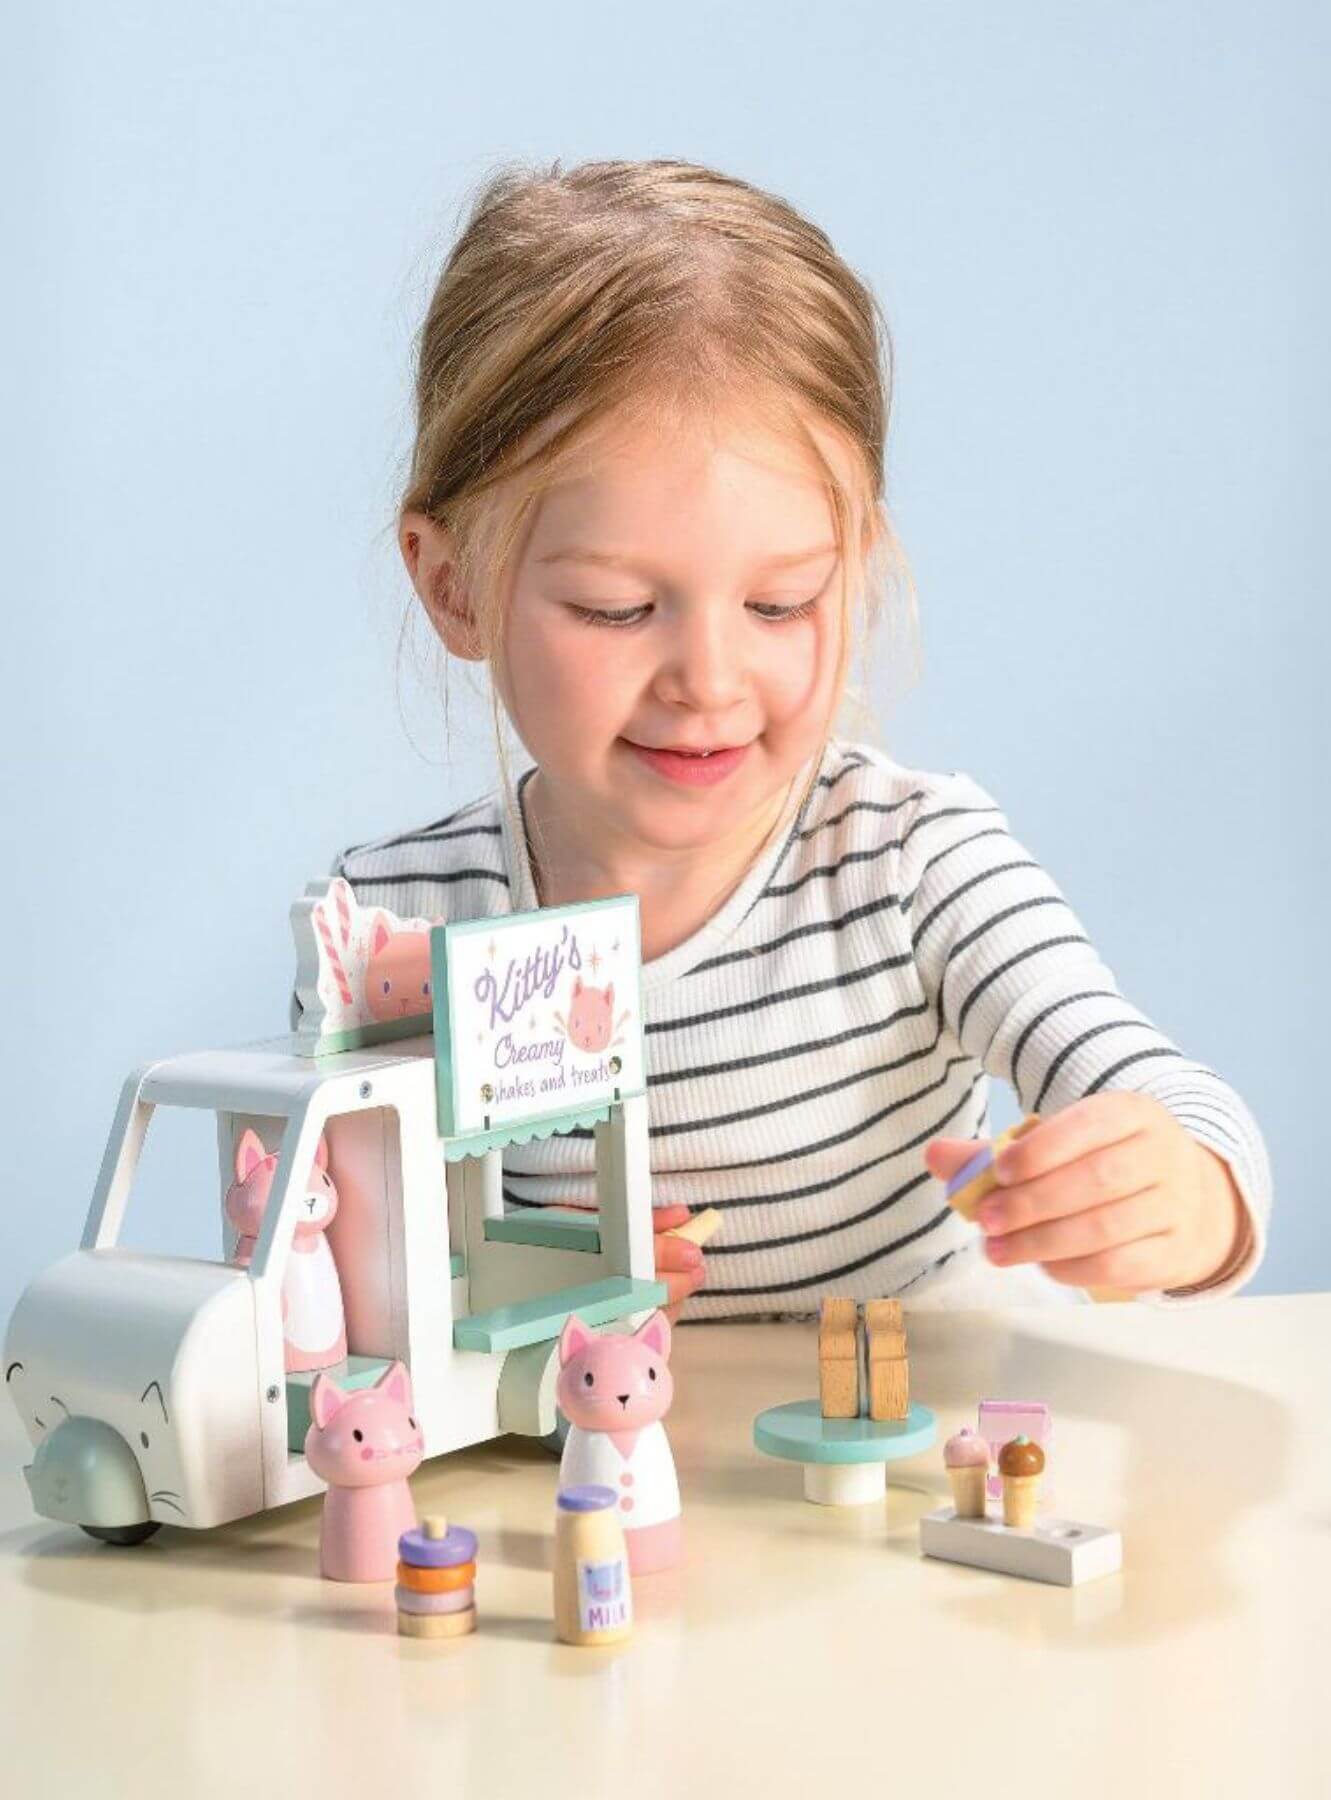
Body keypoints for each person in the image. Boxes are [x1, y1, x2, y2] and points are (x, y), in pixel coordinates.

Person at [336, 158, 1270, 1323]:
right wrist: (520, 1296)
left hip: (901, 1465)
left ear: (858, 567)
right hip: (597, 1490)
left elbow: (1167, 1098)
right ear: (455, 586)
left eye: (780, 604)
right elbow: (353, 1289)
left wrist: (1184, 1195)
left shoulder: (915, 866)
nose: (710, 680)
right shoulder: (391, 930)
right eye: (618, 609)